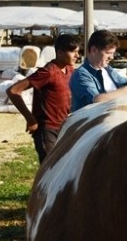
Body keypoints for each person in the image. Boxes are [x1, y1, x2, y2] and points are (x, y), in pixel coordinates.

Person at [7, 34, 80, 163]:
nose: (77, 56)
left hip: (65, 127)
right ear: (60, 52)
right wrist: (31, 119)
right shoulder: (48, 72)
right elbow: (13, 91)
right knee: (52, 169)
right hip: (48, 130)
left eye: (77, 52)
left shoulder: (69, 70)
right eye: (73, 51)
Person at [69, 30, 127, 111]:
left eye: (113, 53)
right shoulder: (80, 75)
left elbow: (126, 84)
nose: (112, 57)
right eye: (108, 53)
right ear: (94, 50)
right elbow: (97, 100)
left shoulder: (108, 70)